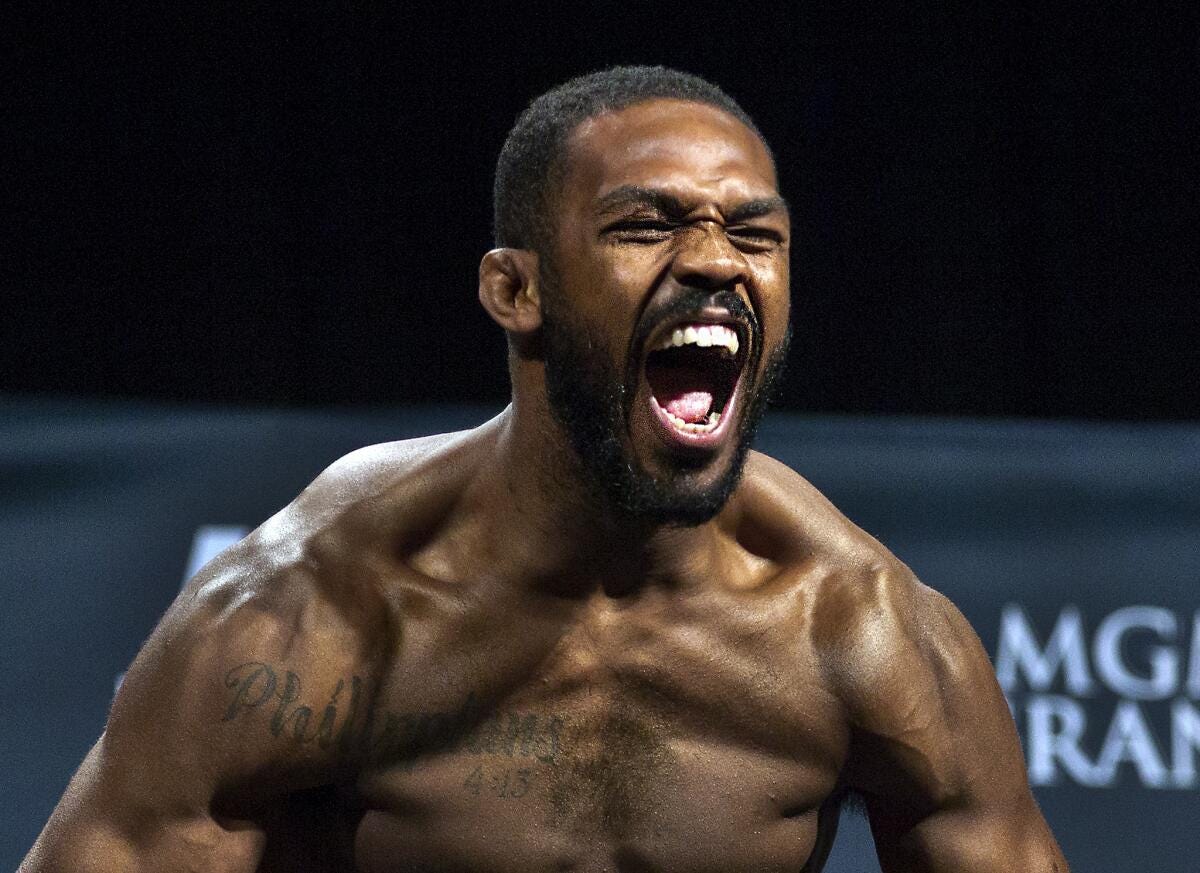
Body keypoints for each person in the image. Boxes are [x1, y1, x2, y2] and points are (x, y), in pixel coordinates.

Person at [21, 66, 1068, 873]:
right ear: (516, 291)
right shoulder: (312, 614)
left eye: (756, 235)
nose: (716, 262)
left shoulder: (859, 629)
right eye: (645, 225)